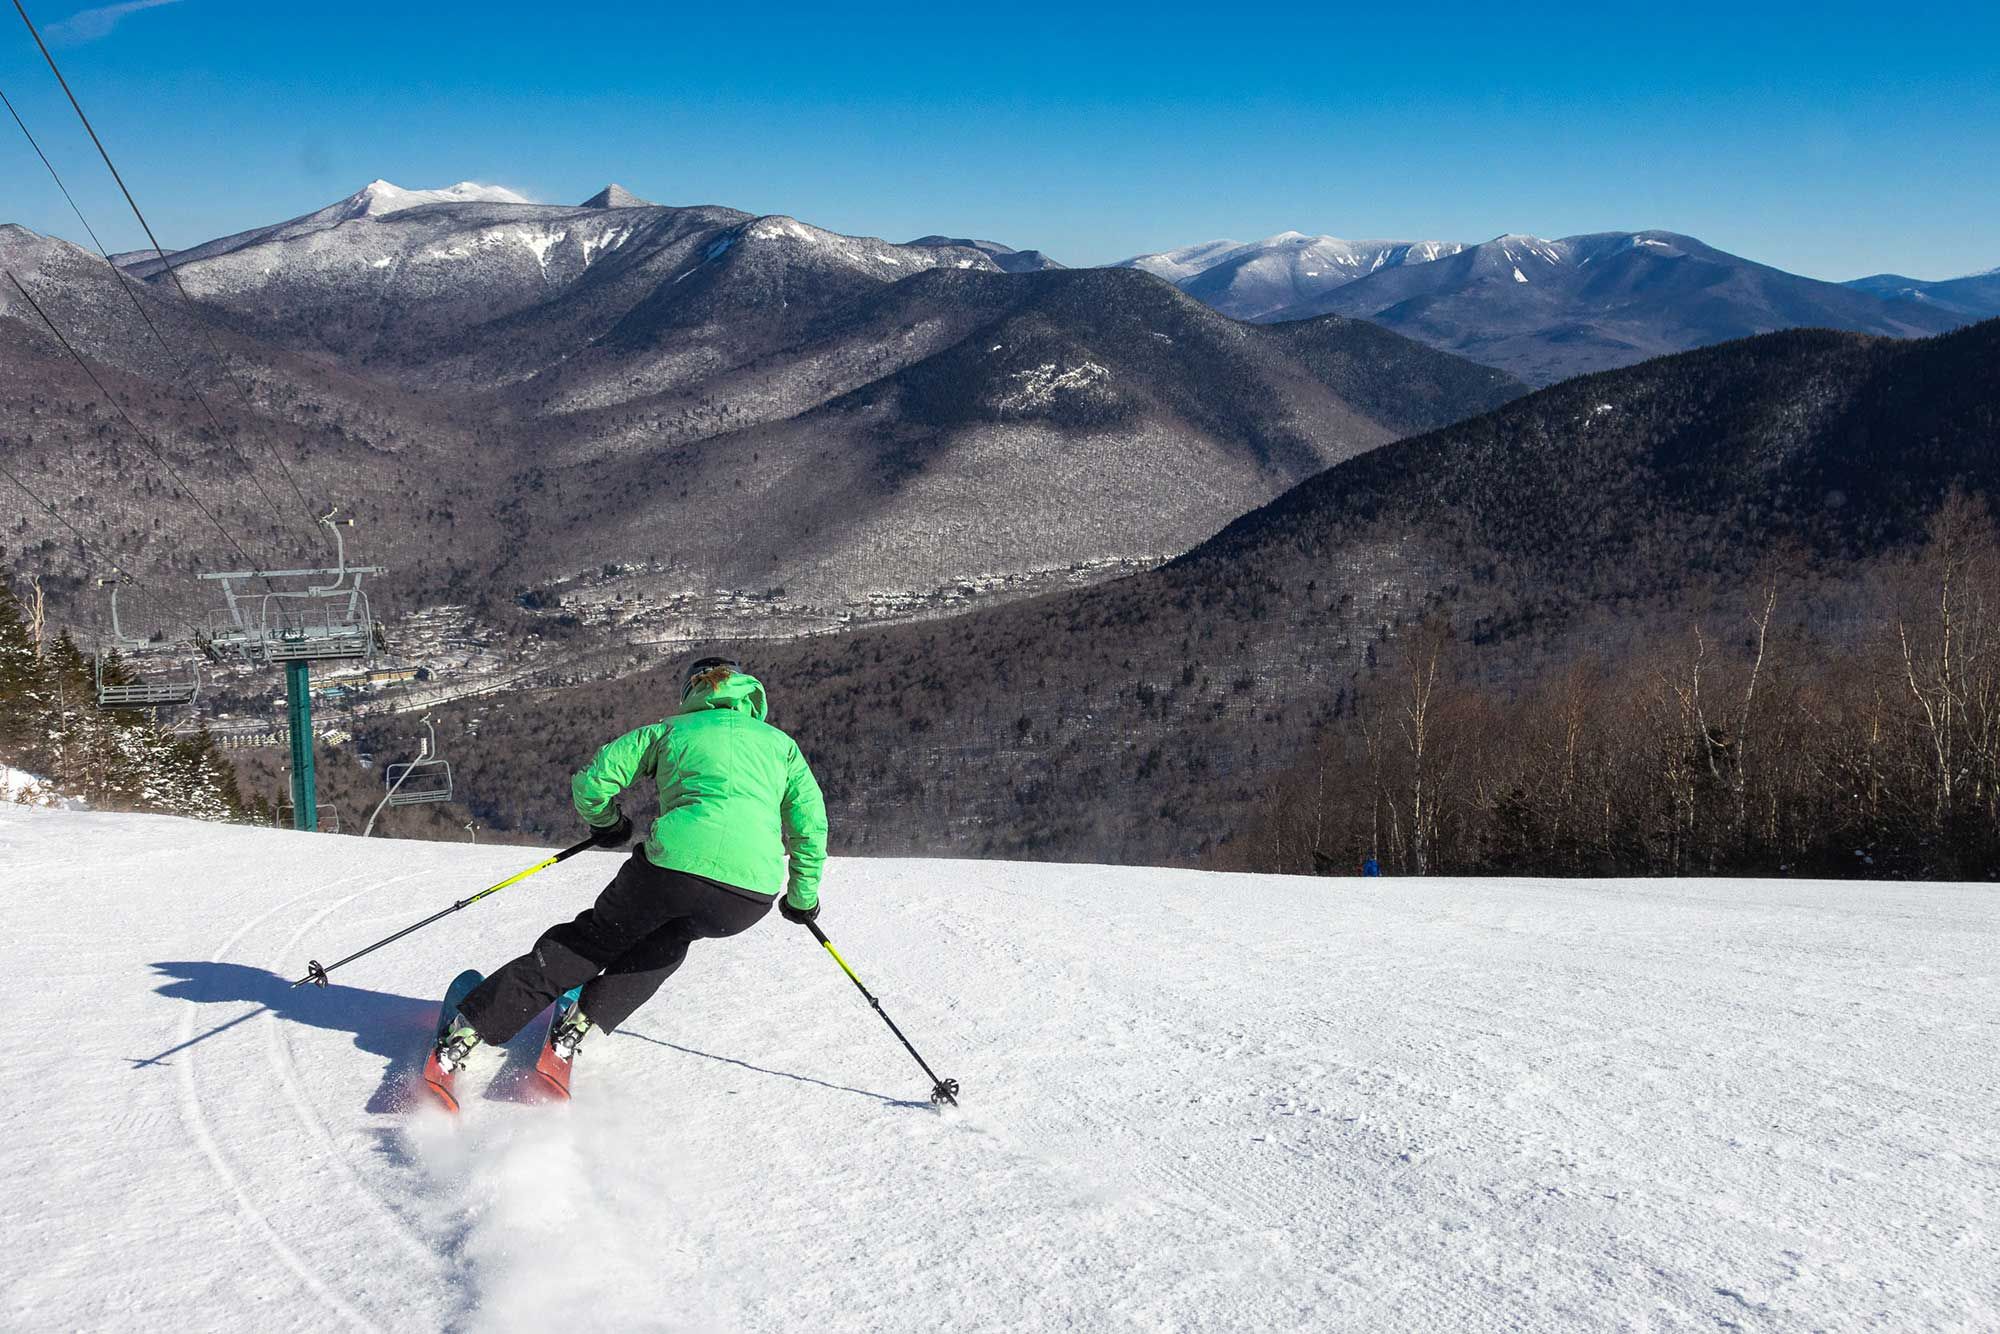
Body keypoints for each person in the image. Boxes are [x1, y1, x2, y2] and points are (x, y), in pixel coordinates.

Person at [433, 656, 828, 1071]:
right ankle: (581, 1025)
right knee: (668, 943)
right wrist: (802, 899)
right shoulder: (782, 747)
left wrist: (609, 824)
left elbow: (593, 781)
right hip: (745, 898)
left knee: (592, 941)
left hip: (670, 873)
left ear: (692, 691)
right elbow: (811, 828)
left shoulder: (670, 731)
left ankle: (469, 1028)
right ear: (749, 693)